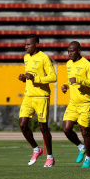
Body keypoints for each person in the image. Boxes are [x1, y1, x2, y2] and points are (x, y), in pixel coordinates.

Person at [18, 34, 57, 167]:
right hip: (28, 96)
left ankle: (50, 157)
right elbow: (30, 77)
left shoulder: (44, 57)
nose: (26, 47)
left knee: (43, 127)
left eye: (28, 44)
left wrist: (36, 78)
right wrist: (24, 79)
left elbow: (53, 77)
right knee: (23, 125)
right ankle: (36, 149)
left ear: (36, 44)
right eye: (25, 44)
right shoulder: (26, 58)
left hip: (41, 97)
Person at [61, 41, 90, 168]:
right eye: (68, 51)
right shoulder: (69, 64)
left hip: (86, 102)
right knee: (66, 129)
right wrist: (66, 85)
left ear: (79, 51)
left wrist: (80, 80)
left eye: (72, 51)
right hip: (73, 103)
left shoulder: (86, 64)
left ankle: (88, 158)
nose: (70, 53)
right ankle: (81, 147)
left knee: (84, 132)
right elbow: (71, 80)